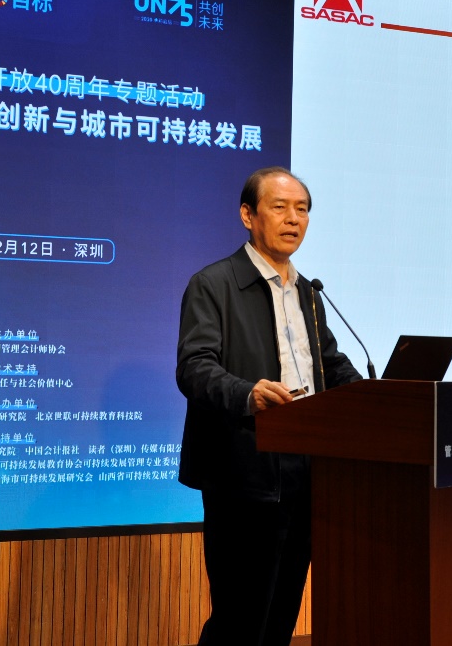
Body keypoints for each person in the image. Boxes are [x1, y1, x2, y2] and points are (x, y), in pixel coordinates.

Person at [176, 166, 362, 646]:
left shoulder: (309, 293)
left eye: (302, 209)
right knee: (240, 617)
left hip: (308, 470)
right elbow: (194, 367)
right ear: (248, 215)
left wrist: (371, 394)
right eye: (280, 207)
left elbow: (329, 363)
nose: (293, 219)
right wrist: (248, 393)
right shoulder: (214, 284)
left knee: (281, 613)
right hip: (244, 469)